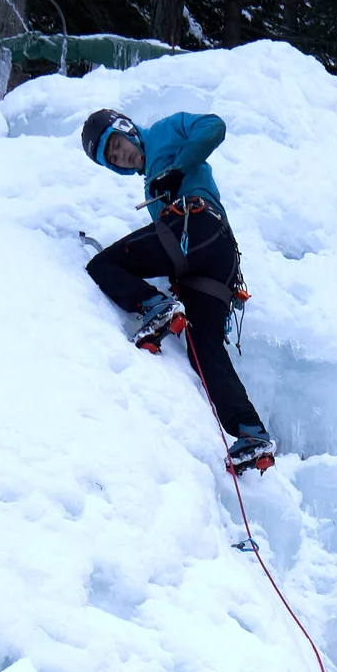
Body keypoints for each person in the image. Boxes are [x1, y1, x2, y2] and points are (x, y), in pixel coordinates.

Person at [80, 106, 275, 475]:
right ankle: (251, 432)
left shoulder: (166, 131)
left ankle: (155, 306)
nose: (122, 157)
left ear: (127, 128)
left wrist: (178, 170)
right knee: (203, 350)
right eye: (114, 159)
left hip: (198, 224)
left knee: (103, 264)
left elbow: (214, 127)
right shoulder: (150, 182)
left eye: (118, 145)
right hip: (216, 261)